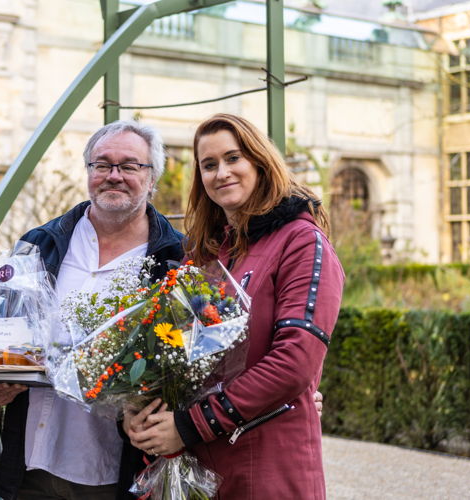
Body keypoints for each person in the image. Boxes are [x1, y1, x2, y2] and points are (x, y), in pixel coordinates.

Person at [125, 113, 344, 499]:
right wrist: (142, 411)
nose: (221, 172)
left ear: (259, 162)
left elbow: (294, 360)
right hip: (202, 466)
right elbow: (176, 355)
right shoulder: (204, 255)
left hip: (267, 464)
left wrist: (191, 424)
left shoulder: (300, 242)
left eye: (233, 158)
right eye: (209, 165)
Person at [0, 120, 184, 500]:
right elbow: (0, 329)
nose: (114, 176)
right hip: (33, 464)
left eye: (129, 166)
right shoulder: (41, 245)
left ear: (152, 176)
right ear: (88, 171)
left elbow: (193, 363)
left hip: (118, 468)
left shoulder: (175, 259)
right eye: (102, 165)